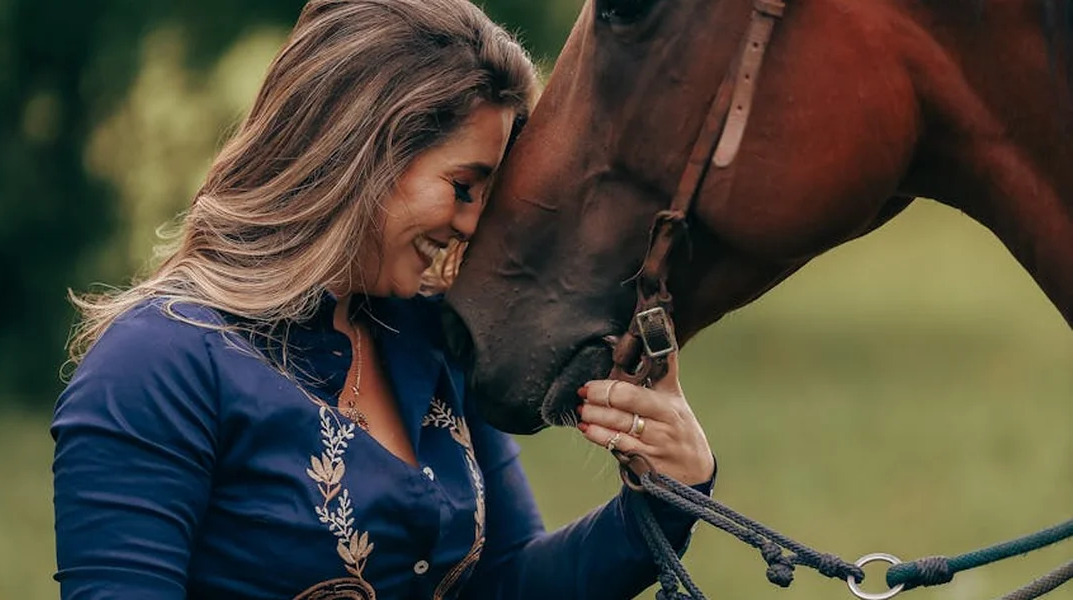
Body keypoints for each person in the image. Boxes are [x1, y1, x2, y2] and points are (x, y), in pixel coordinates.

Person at [52, 1, 717, 598]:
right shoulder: (159, 363)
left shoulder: (430, 333)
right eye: (464, 186)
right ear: (363, 152)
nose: (473, 224)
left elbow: (508, 584)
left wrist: (667, 489)